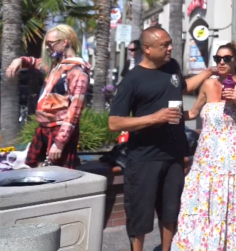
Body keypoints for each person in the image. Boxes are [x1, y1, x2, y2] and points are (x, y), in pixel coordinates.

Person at [109, 26, 213, 251]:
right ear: (147, 49)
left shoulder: (172, 67)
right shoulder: (131, 80)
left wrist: (208, 72)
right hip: (144, 159)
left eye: (170, 43)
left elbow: (183, 88)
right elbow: (114, 122)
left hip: (174, 154)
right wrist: (154, 118)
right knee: (140, 217)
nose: (170, 48)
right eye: (164, 45)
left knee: (171, 212)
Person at [173, 43, 236, 251]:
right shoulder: (208, 85)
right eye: (218, 58)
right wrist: (164, 115)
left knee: (224, 202)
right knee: (199, 198)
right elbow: (192, 113)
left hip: (229, 154)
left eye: (227, 58)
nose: (222, 62)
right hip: (206, 153)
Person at [5, 25, 90, 169]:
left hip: (58, 130)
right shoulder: (56, 66)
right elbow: (34, 62)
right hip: (44, 128)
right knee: (36, 171)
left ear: (65, 42)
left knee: (58, 177)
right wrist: (19, 60)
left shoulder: (77, 72)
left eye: (50, 44)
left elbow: (75, 110)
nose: (47, 48)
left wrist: (60, 142)